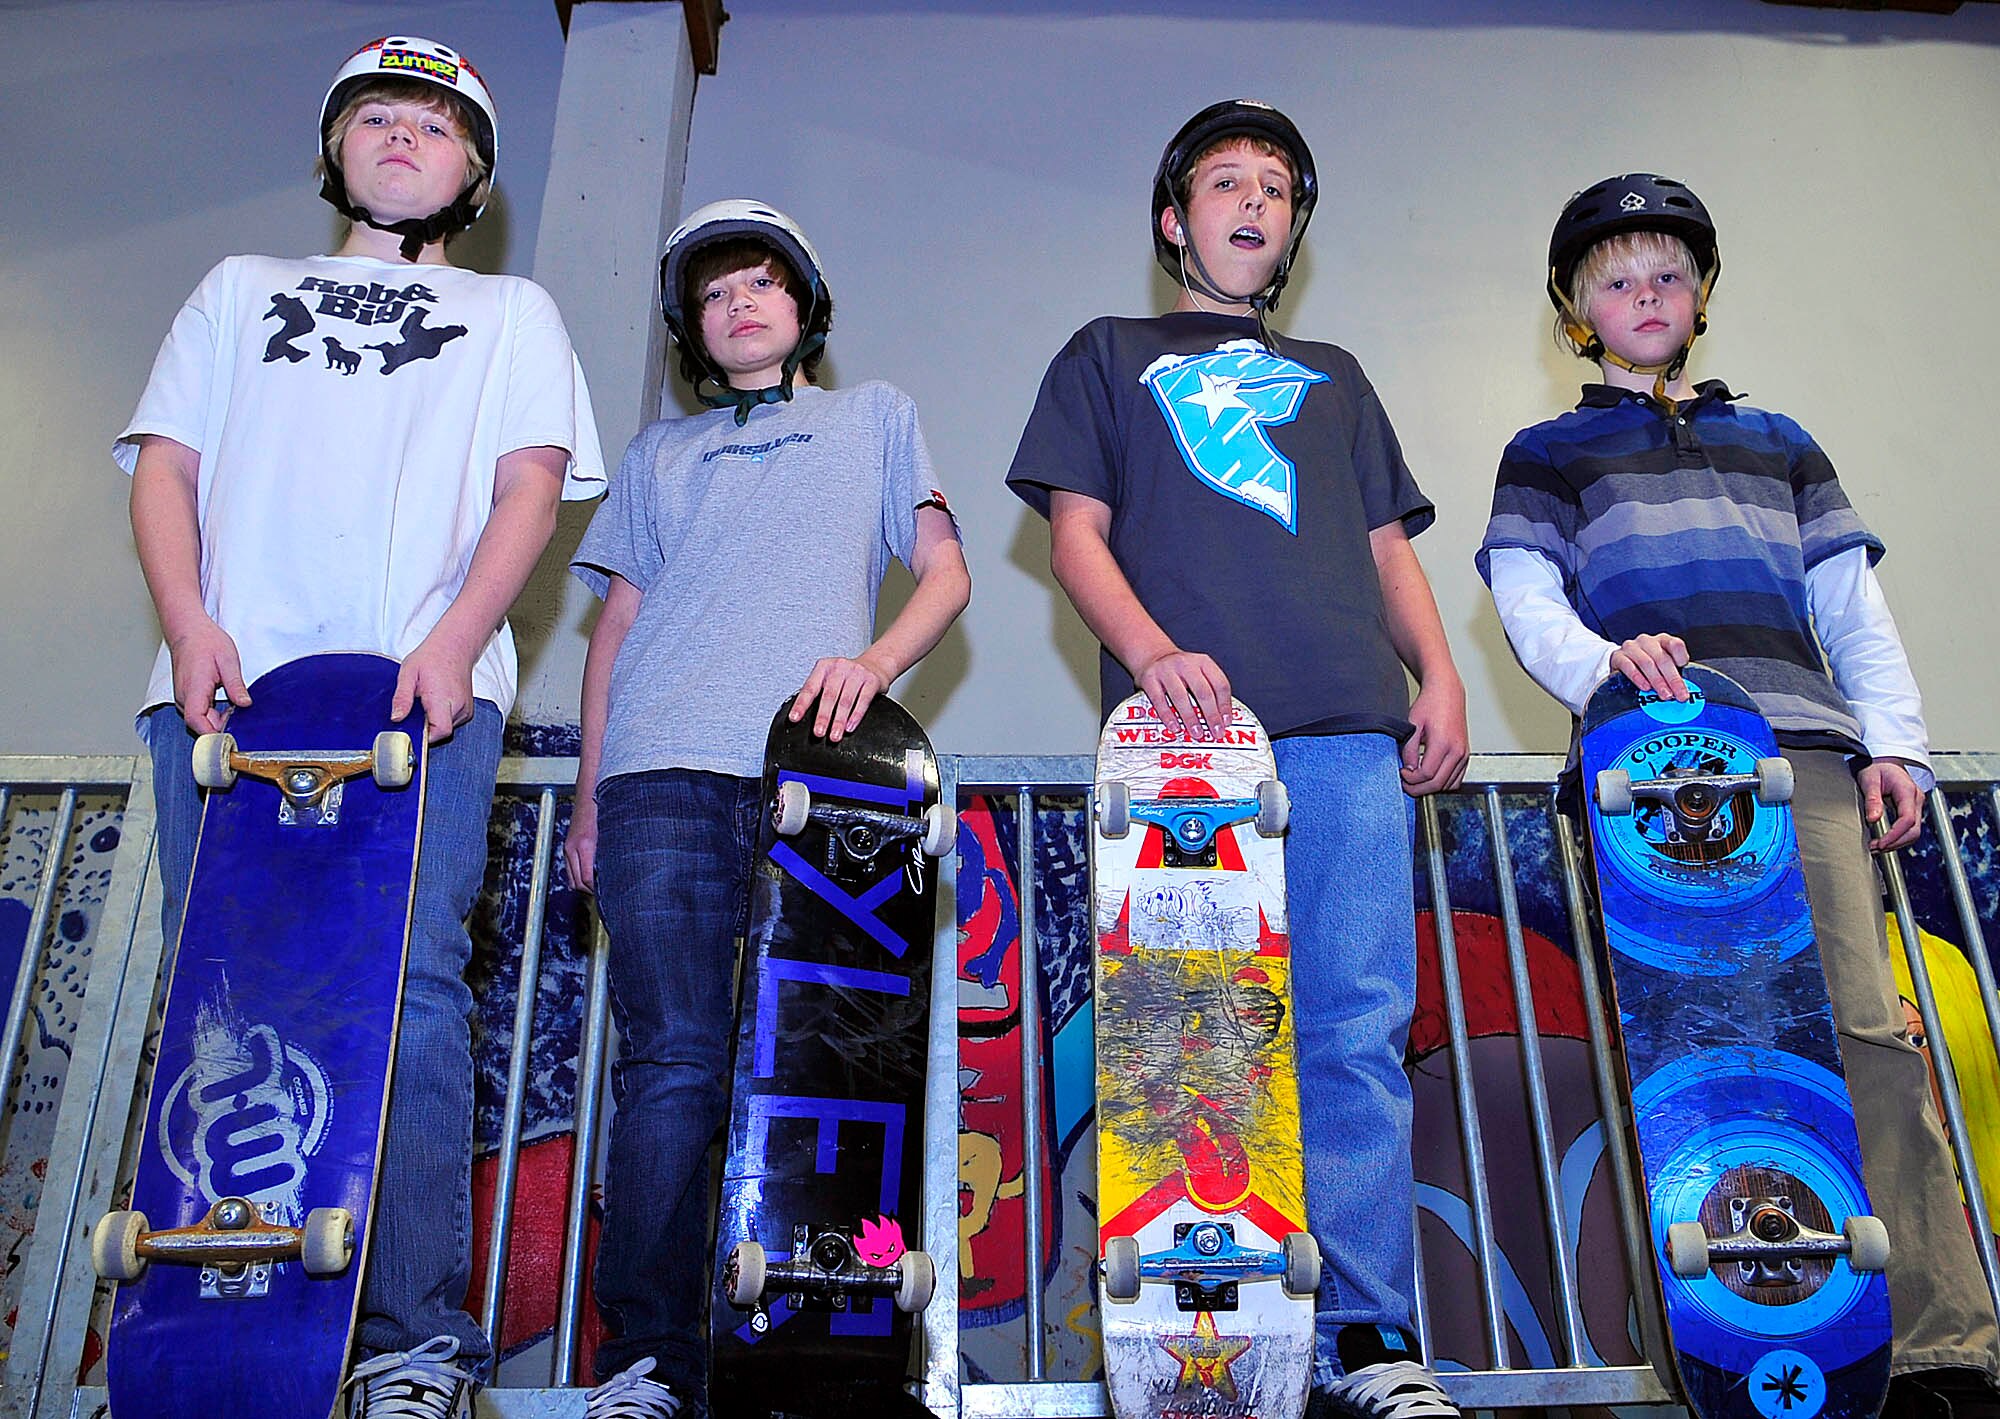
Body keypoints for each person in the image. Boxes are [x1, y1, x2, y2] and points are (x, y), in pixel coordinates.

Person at [116, 35, 606, 1419]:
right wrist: (191, 621)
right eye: (377, 118)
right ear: (335, 147)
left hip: (417, 692)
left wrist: (454, 639)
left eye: (434, 126)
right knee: (221, 991)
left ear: (475, 171)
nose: (403, 139)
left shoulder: (513, 312)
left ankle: (413, 1340)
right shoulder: (235, 290)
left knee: (417, 996)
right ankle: (215, 1315)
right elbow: (169, 466)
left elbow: (528, 488)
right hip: (225, 683)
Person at [1478, 172, 2000, 1419]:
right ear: (1573, 309)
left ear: (1700, 296)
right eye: (1615, 279)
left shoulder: (1781, 443)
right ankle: (1730, 1345)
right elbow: (1522, 595)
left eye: (1667, 274)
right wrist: (1603, 663)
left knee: (1868, 1038)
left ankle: (1940, 1347)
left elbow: (1850, 613)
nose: (1643, 294)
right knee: (1689, 1063)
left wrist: (1899, 748)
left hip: (1800, 762)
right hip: (1644, 789)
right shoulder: (1544, 455)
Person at [1004, 100, 1469, 1419]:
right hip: (1186, 753)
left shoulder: (1337, 371)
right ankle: (1208, 1346)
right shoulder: (1108, 353)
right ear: (1177, 218)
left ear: (1291, 227)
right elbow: (1075, 534)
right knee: (1191, 1039)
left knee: (1357, 1030)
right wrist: (1151, 652)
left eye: (1274, 185)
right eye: (1225, 181)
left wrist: (1438, 675)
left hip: (1343, 734)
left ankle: (1373, 1340)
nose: (1252, 200)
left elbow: (1388, 549)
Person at [564, 199, 971, 1419]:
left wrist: (875, 665)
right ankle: (646, 1364)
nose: (740, 305)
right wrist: (589, 800)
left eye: (762, 284)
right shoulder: (656, 457)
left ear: (802, 309)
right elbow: (615, 629)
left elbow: (943, 574)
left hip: (824, 779)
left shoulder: (876, 416)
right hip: (658, 776)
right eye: (714, 293)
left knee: (830, 1061)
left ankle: (819, 1355)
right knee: (674, 1065)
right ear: (694, 327)